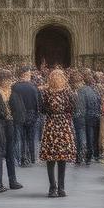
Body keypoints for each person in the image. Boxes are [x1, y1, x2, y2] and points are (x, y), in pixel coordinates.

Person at [40, 69, 76, 197]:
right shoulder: (67, 92)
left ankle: (53, 188)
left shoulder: (46, 92)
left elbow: (42, 108)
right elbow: (72, 108)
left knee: (52, 159)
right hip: (63, 125)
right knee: (61, 158)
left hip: (51, 125)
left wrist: (52, 112)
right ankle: (60, 188)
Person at [0, 68, 24, 190]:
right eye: (4, 80)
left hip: (10, 124)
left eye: (8, 79)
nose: (7, 82)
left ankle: (12, 180)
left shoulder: (13, 92)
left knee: (10, 152)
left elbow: (19, 107)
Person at [11, 68, 40, 166]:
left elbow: (12, 101)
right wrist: (37, 113)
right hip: (31, 113)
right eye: (29, 74)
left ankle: (22, 158)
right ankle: (31, 157)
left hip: (19, 113)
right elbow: (38, 101)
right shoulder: (33, 87)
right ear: (25, 74)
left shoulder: (14, 87)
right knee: (30, 137)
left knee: (21, 136)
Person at [78, 70, 103, 162]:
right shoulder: (96, 89)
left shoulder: (82, 90)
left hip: (88, 116)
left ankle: (89, 156)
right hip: (96, 115)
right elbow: (100, 101)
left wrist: (80, 116)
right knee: (95, 136)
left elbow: (81, 105)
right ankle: (96, 154)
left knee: (89, 136)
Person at [70, 71, 88, 165]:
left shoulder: (77, 92)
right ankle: (84, 154)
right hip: (86, 116)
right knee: (85, 135)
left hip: (79, 116)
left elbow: (75, 105)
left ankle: (80, 155)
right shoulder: (87, 89)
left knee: (79, 137)